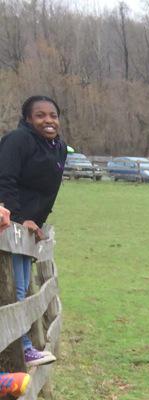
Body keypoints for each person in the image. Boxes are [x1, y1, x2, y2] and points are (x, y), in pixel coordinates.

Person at [0, 95, 66, 367]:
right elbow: (5, 178)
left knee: (24, 288)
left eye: (53, 115)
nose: (48, 121)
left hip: (29, 230)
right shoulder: (19, 140)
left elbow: (46, 192)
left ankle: (21, 348)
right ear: (28, 119)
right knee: (16, 290)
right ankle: (23, 349)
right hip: (10, 226)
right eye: (40, 115)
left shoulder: (58, 148)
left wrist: (36, 221)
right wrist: (20, 218)